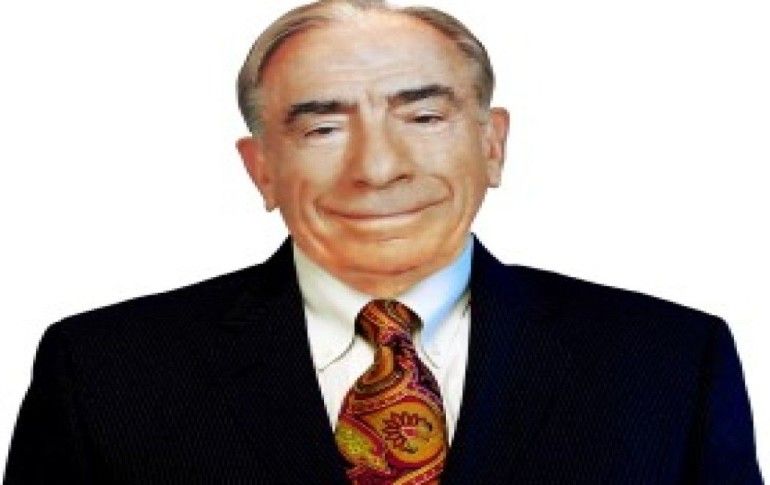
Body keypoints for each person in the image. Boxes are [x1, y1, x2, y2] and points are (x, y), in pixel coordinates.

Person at [3, 0, 763, 483]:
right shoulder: (103, 371)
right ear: (261, 168)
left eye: (423, 118)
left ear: (492, 145)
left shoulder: (667, 360)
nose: (377, 168)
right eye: (323, 128)